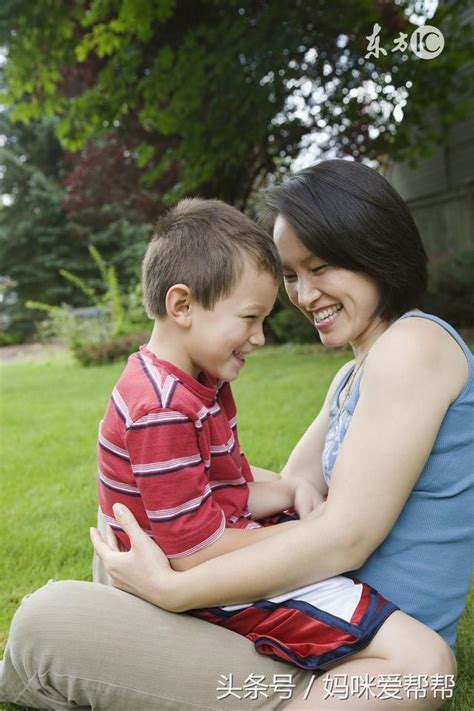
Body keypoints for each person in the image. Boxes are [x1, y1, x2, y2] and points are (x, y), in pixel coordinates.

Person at [0, 161, 469, 710]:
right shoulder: (352, 375)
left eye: (318, 268)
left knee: (48, 619)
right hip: (298, 621)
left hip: (355, 656)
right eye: (292, 275)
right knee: (126, 553)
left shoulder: (413, 346)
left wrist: (173, 588)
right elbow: (289, 485)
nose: (303, 294)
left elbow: (345, 537)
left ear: (373, 250)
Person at [96, 196, 402, 675]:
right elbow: (193, 553)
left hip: (204, 553)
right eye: (249, 318)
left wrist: (290, 490)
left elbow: (225, 490)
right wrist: (309, 539)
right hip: (196, 586)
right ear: (182, 305)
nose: (259, 337)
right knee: (382, 631)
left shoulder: (197, 385)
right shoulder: (162, 409)